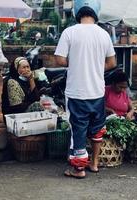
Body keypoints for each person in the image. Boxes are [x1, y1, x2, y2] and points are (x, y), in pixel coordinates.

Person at [55, 0, 116, 178]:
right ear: (96, 13)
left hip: (77, 92)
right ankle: (95, 164)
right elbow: (112, 63)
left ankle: (78, 169)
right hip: (97, 91)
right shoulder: (104, 34)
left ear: (77, 12)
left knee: (78, 130)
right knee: (97, 129)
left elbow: (59, 59)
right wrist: (95, 67)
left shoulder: (70, 32)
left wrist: (76, 64)